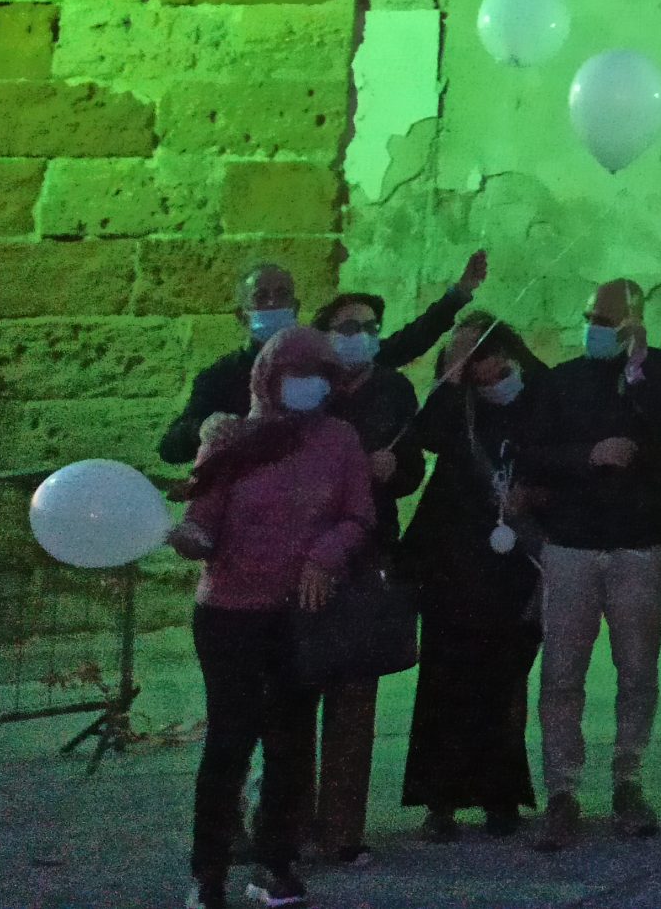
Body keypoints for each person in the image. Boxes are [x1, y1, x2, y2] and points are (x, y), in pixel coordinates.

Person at [169, 326, 374, 909]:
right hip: (229, 612)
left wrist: (326, 554)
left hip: (299, 615)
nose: (311, 385)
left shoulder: (339, 440)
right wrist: (182, 535)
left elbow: (358, 515)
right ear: (269, 377)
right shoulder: (231, 437)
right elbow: (204, 520)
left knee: (290, 743)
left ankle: (275, 863)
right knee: (229, 741)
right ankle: (208, 873)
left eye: (321, 375)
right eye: (298, 374)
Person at [519, 277, 661, 850]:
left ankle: (629, 780)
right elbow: (533, 454)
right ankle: (562, 790)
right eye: (590, 316)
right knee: (561, 672)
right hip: (571, 545)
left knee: (637, 669)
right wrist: (587, 456)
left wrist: (637, 367)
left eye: (608, 320)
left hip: (641, 545)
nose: (595, 328)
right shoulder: (561, 379)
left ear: (635, 322)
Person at [294, 289, 436, 864]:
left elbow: (413, 468)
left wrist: (395, 467)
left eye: (371, 327)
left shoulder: (394, 389)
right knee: (293, 693)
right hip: (302, 550)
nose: (362, 336)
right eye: (348, 327)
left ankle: (342, 829)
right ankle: (287, 821)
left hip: (368, 548)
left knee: (355, 695)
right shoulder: (304, 387)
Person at [398, 313, 545, 840]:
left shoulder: (538, 398)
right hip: (453, 564)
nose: (485, 364)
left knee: (503, 681)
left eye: (488, 351)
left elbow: (559, 453)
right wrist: (453, 374)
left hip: (515, 564)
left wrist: (539, 495)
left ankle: (500, 796)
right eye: (470, 357)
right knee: (446, 681)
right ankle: (440, 800)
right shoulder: (456, 407)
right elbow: (426, 436)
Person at [159, 253, 486, 468]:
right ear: (242, 315)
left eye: (282, 294)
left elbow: (402, 345)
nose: (273, 303)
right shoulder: (220, 377)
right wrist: (204, 428)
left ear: (296, 306)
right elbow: (171, 448)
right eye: (261, 297)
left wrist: (456, 297)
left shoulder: (320, 358)